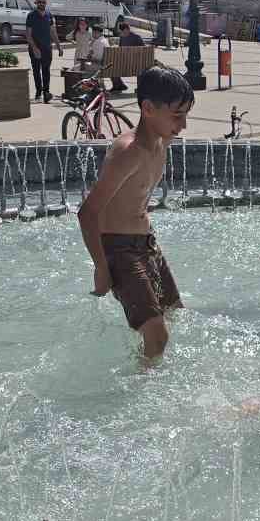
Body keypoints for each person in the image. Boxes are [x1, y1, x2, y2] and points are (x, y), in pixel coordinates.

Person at [78, 66, 194, 363]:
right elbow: (88, 212)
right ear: (148, 108)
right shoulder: (128, 152)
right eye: (177, 115)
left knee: (173, 312)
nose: (183, 125)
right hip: (119, 248)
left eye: (186, 114)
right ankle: (142, 392)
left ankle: (146, 363)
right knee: (158, 334)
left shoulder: (160, 140)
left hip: (145, 242)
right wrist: (101, 268)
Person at [25, 0, 63, 103]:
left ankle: (46, 93)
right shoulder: (31, 15)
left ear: (46, 3)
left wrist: (59, 46)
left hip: (47, 48)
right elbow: (28, 34)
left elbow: (53, 32)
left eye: (43, 2)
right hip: (35, 48)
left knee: (46, 71)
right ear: (36, 3)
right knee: (36, 71)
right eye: (39, 2)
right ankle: (38, 93)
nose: (41, 4)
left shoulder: (49, 15)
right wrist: (35, 48)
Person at [110, 20, 144, 93]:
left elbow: (143, 51)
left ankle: (120, 85)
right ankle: (119, 85)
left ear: (127, 29)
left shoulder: (136, 37)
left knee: (140, 67)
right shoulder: (123, 37)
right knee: (111, 66)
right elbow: (120, 49)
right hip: (128, 62)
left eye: (123, 32)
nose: (122, 33)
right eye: (122, 32)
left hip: (135, 63)